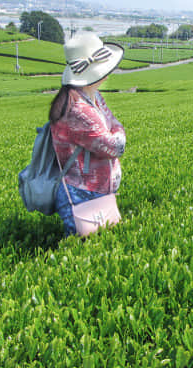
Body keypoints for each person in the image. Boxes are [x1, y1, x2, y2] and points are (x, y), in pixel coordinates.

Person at [49, 33, 126, 236]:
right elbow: (115, 147)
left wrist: (115, 128)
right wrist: (118, 132)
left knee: (101, 240)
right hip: (82, 192)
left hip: (98, 190)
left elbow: (112, 121)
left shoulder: (93, 96)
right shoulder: (76, 109)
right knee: (81, 243)